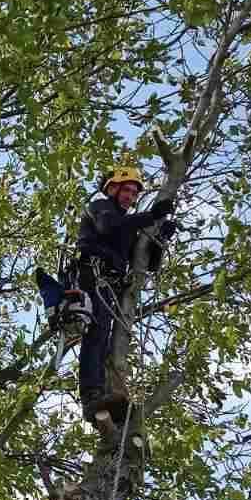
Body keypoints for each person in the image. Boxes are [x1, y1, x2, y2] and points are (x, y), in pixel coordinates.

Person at [36, 165, 175, 424]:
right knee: (95, 335)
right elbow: (106, 226)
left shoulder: (128, 226)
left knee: (106, 342)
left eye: (134, 193)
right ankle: (91, 395)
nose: (130, 197)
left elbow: (146, 263)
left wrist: (160, 238)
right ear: (112, 188)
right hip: (91, 275)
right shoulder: (100, 206)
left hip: (110, 287)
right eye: (127, 190)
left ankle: (109, 394)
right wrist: (151, 215)